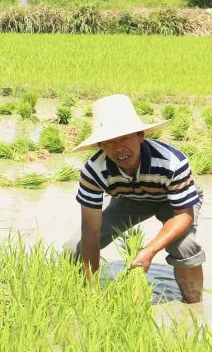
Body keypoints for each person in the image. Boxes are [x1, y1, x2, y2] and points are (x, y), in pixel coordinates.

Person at [68, 94, 205, 303]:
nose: (118, 148)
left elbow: (183, 215)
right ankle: (83, 293)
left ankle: (193, 307)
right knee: (75, 247)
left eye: (125, 137)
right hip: (129, 200)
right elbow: (90, 230)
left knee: (185, 247)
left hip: (172, 202)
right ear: (100, 146)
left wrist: (149, 250)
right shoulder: (93, 172)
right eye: (109, 141)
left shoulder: (172, 162)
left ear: (141, 136)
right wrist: (91, 291)